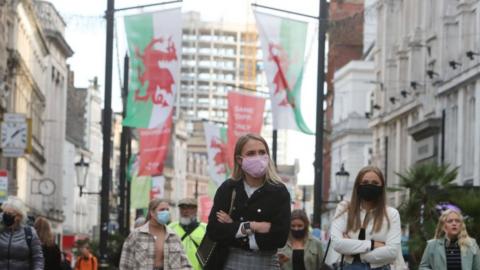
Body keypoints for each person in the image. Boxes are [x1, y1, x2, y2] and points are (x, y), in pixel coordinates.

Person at [206, 133, 291, 269]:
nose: (258, 157)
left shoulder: (279, 192)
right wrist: (252, 226)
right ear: (240, 160)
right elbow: (214, 231)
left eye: (262, 152)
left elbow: (279, 238)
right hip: (229, 264)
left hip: (266, 264)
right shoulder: (228, 188)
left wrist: (233, 226)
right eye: (251, 153)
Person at [330, 166, 401, 270]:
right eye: (365, 182)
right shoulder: (344, 209)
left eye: (375, 183)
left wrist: (355, 254)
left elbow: (392, 252)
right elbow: (337, 243)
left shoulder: (391, 214)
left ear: (382, 187)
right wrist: (372, 244)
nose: (369, 186)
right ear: (358, 186)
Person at [119, 198, 192, 270]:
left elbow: (186, 264)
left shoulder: (174, 236)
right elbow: (125, 265)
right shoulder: (136, 235)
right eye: (162, 210)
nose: (166, 212)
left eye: (167, 210)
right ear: (152, 213)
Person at [0, 196, 44, 270]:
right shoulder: (1, 230)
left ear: (19, 216)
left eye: (10, 214)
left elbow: (38, 258)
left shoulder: (30, 233)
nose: (6, 216)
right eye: (5, 212)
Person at [169, 197, 206, 270]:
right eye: (182, 208)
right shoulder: (170, 228)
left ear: (195, 210)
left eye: (189, 208)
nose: (185, 211)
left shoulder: (205, 228)